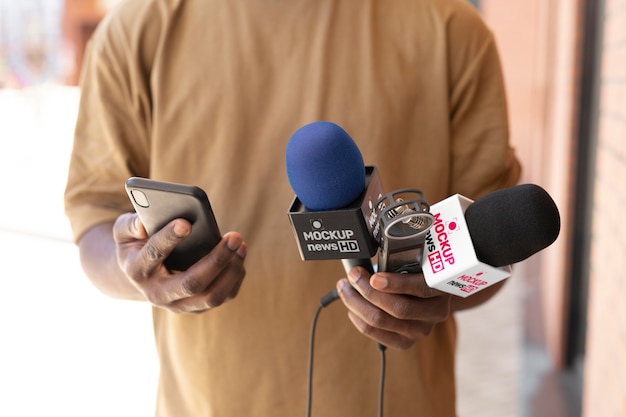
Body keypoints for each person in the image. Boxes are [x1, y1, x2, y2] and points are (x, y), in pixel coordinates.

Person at [64, 0, 521, 416]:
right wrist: (139, 269)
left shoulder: (452, 29)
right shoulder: (135, 31)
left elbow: (496, 240)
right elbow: (96, 224)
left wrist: (438, 290)